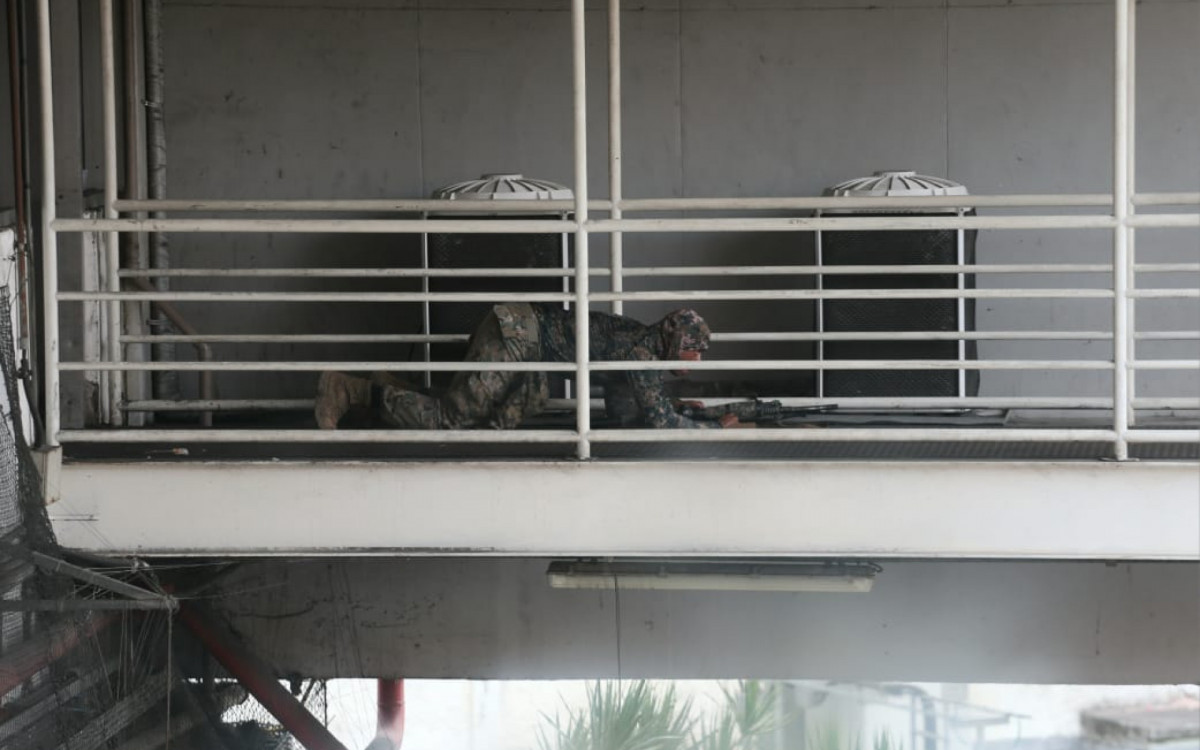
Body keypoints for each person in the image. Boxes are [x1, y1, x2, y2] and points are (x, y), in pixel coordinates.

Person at [314, 301, 746, 430]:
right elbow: (658, 422)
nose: (698, 358)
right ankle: (350, 391)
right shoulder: (642, 355)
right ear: (677, 343)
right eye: (696, 349)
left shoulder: (642, 347)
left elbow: (627, 413)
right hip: (518, 338)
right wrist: (711, 425)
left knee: (475, 410)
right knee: (451, 418)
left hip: (524, 337)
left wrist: (683, 411)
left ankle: (384, 386)